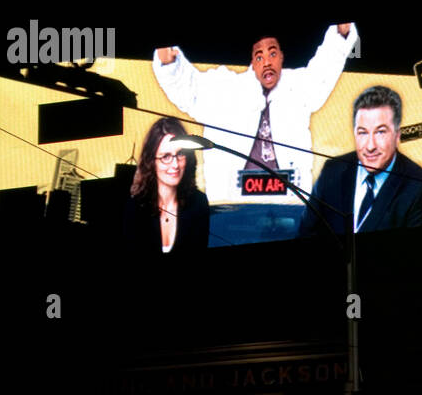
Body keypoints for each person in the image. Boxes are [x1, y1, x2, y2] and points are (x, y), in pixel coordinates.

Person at [152, 25, 357, 244]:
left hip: (289, 215)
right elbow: (186, 86)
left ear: (281, 57)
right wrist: (168, 58)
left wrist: (341, 33)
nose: (267, 62)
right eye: (259, 57)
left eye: (272, 53)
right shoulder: (225, 89)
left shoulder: (299, 87)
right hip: (231, 217)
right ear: (251, 62)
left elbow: (326, 66)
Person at [300, 85, 422, 237]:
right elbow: (306, 236)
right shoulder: (333, 170)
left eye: (380, 132)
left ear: (397, 136)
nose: (370, 146)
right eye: (363, 133)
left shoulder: (419, 186)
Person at [123, 117, 210, 254]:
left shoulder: (198, 203)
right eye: (166, 157)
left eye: (180, 154)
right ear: (151, 161)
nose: (175, 164)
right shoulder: (134, 208)